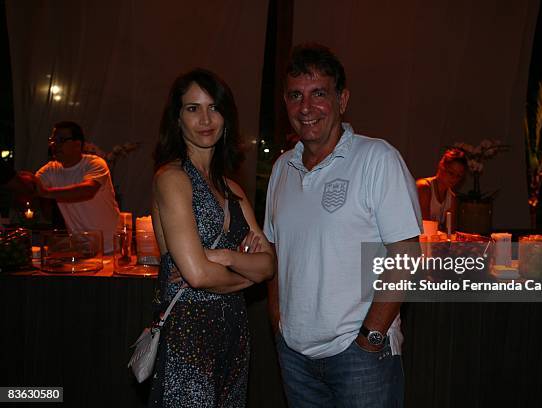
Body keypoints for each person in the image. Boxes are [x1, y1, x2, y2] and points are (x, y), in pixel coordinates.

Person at [264, 43, 422, 407]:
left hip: (360, 357)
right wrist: (279, 324)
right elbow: (275, 252)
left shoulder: (377, 158)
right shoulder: (281, 169)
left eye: (319, 93)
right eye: (295, 96)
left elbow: (406, 253)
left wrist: (371, 337)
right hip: (295, 357)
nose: (306, 108)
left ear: (342, 100)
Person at [149, 68, 274, 407]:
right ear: (177, 119)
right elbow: (197, 274)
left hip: (234, 331)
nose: (205, 119)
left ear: (226, 116)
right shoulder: (172, 179)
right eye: (192, 108)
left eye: (213, 107)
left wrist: (227, 257)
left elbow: (269, 263)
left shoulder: (232, 189)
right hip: (189, 334)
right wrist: (250, 275)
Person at [35, 121, 120, 253]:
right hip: (81, 250)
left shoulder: (95, 163)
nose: (54, 145)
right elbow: (32, 186)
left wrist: (46, 192)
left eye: (61, 140)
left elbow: (88, 190)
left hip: (111, 248)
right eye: (53, 140)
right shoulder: (50, 170)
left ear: (77, 144)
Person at [416, 148, 467, 229]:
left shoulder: (452, 198)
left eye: (458, 176)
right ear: (441, 166)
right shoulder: (424, 188)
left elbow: (450, 231)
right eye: (451, 173)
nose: (454, 179)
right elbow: (425, 228)